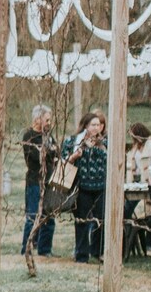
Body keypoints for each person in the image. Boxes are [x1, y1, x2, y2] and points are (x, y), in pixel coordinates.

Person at [61, 111, 108, 263]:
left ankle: (98, 251)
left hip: (100, 186)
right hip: (82, 187)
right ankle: (81, 254)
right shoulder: (73, 141)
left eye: (98, 125)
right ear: (86, 126)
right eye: (93, 125)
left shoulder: (105, 143)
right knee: (82, 221)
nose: (96, 128)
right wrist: (75, 156)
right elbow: (63, 160)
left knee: (100, 220)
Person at [20, 104, 58, 256]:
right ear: (38, 119)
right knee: (32, 216)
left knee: (49, 217)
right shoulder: (28, 136)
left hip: (49, 181)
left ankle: (45, 250)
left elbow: (56, 153)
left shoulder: (48, 135)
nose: (49, 123)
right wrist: (49, 152)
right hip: (35, 182)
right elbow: (36, 157)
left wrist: (49, 152)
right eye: (47, 119)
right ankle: (26, 249)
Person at [124, 122, 151, 256]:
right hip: (136, 184)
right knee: (127, 208)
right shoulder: (134, 148)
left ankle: (150, 245)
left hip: (148, 183)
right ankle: (125, 242)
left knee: (150, 213)